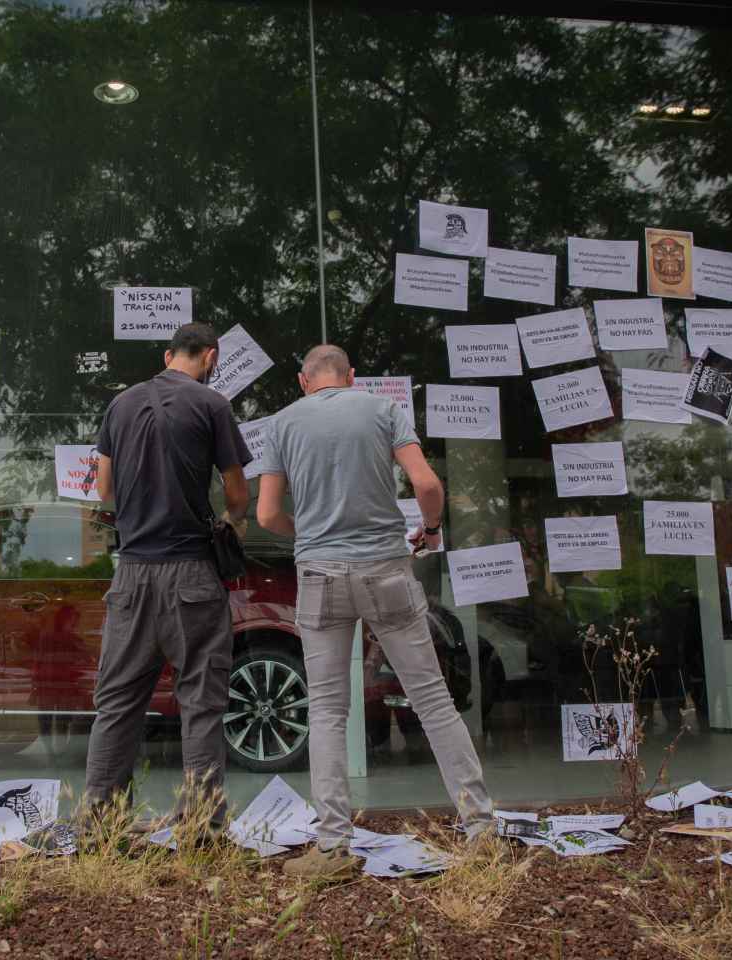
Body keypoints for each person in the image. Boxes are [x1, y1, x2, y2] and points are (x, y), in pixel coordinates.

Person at [255, 344, 494, 878]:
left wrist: (309, 536)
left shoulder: (283, 423)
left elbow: (268, 514)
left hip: (320, 576)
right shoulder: (384, 411)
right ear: (352, 377)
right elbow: (428, 485)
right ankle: (480, 828)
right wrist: (429, 531)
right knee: (432, 698)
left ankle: (333, 845)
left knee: (327, 709)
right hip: (386, 569)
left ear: (303, 381)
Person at [82, 322, 252, 830]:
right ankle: (201, 828)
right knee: (200, 703)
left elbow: (104, 490)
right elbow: (237, 491)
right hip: (192, 575)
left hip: (132, 574)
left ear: (167, 354)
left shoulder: (121, 405)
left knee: (116, 703)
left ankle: (101, 827)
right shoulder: (212, 404)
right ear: (211, 357)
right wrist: (229, 522)